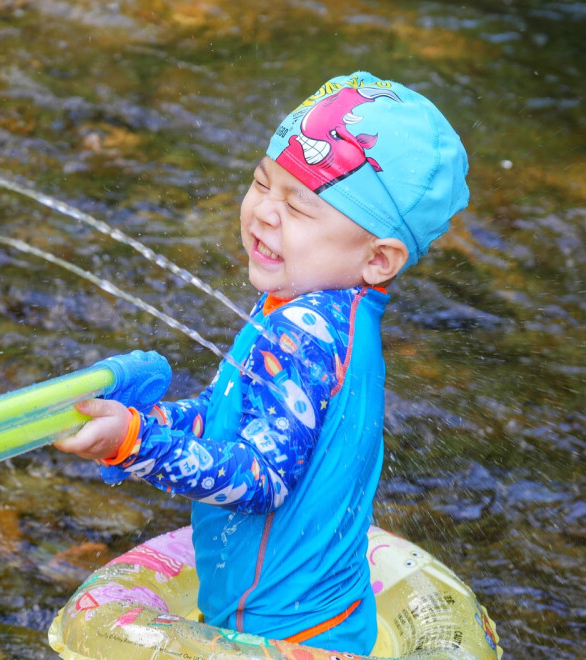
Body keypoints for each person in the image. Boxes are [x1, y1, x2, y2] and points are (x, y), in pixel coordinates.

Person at [53, 70, 469, 654]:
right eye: (261, 182)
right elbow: (237, 425)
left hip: (292, 639)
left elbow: (257, 477)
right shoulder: (312, 305)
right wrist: (147, 424)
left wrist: (138, 445)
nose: (265, 212)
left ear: (378, 258)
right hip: (298, 623)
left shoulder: (308, 330)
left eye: (298, 207)